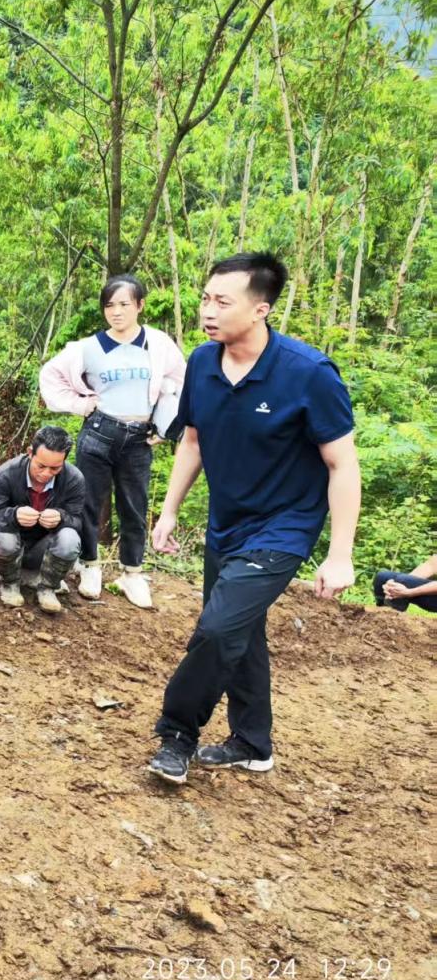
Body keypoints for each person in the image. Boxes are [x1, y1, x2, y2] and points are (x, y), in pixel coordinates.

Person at [148, 253, 359, 785]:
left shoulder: (308, 374)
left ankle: (177, 733)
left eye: (223, 302)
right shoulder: (202, 363)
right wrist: (169, 510)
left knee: (219, 627)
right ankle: (251, 743)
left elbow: (342, 464)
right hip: (226, 523)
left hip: (284, 527)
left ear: (260, 309)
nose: (208, 310)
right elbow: (192, 440)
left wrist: (340, 555)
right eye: (205, 298)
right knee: (240, 631)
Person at [39, 274, 186, 608]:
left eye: (124, 304)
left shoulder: (158, 344)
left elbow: (181, 381)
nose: (116, 312)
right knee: (89, 503)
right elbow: (50, 376)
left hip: (139, 438)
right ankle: (90, 566)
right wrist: (80, 404)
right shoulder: (87, 348)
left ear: (140, 305)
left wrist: (165, 426)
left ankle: (132, 573)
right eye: (109, 305)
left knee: (134, 506)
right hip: (99, 432)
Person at [0, 427, 85, 615]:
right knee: (3, 538)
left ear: (64, 461)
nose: (46, 473)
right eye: (41, 466)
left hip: (44, 549)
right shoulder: (7, 473)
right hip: (11, 544)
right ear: (30, 453)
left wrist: (61, 518)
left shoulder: (73, 479)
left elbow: (78, 521)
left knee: (70, 538)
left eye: (55, 468)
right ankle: (10, 583)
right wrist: (13, 516)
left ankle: (48, 587)